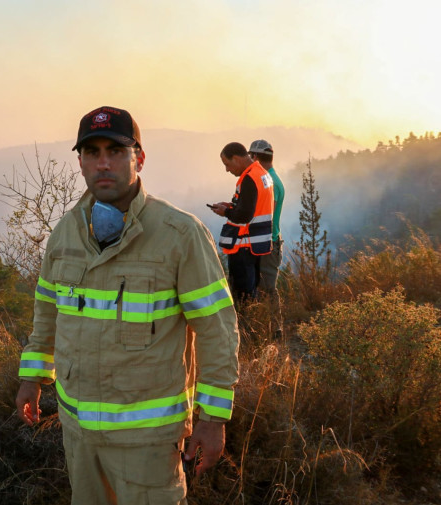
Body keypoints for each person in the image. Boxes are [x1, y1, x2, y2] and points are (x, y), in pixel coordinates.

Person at [16, 106, 240, 505]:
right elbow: (47, 311)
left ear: (139, 157)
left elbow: (216, 329)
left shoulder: (179, 235)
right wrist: (31, 378)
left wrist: (213, 418)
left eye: (116, 151)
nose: (103, 163)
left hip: (148, 443)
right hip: (80, 434)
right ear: (81, 161)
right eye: (92, 152)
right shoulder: (66, 234)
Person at [210, 142, 274, 304]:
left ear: (237, 159)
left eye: (227, 164)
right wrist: (231, 206)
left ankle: (245, 328)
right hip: (256, 245)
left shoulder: (249, 178)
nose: (227, 169)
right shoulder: (262, 174)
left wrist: (226, 212)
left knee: (243, 298)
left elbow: (245, 215)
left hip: (243, 247)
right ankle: (254, 324)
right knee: (252, 294)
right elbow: (254, 207)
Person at [248, 139, 285, 338]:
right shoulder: (270, 179)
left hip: (269, 242)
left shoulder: (270, 182)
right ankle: (269, 327)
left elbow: (265, 213)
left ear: (255, 157)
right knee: (264, 286)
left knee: (268, 288)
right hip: (268, 241)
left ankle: (275, 330)